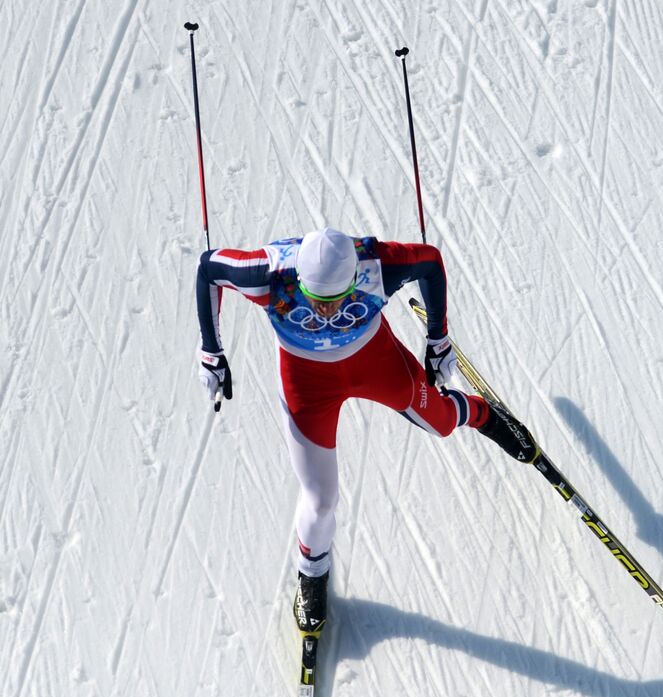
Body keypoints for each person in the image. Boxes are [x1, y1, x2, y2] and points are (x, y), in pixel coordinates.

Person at [194, 227, 537, 625]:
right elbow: (208, 270)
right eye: (316, 300)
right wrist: (210, 350)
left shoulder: (378, 264)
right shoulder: (269, 274)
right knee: (321, 501)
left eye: (335, 299)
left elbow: (430, 261)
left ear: (354, 278)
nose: (325, 310)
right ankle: (312, 574)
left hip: (372, 360)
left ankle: (484, 414)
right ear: (300, 281)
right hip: (307, 382)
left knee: (441, 423)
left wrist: (438, 339)